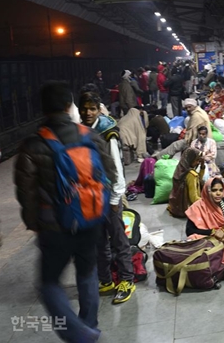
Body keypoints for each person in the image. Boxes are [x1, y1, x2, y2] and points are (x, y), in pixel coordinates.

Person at [15, 81, 117, 342]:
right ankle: (89, 325)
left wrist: (33, 222)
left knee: (49, 283)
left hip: (54, 226)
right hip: (90, 218)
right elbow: (110, 173)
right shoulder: (89, 135)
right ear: (69, 106)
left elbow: (26, 191)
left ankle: (80, 334)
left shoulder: (33, 145)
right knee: (87, 273)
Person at [78, 91, 135, 305]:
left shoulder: (107, 132)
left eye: (92, 108)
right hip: (90, 197)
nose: (88, 112)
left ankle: (127, 280)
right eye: (84, 108)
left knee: (119, 240)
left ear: (98, 108)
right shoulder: (81, 131)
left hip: (109, 195)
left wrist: (114, 200)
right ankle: (105, 280)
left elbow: (116, 168)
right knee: (99, 242)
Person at [185, 177, 224, 269]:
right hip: (207, 238)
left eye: (220, 190)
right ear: (207, 191)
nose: (218, 193)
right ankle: (216, 260)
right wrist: (213, 233)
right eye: (214, 190)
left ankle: (214, 260)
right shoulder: (197, 207)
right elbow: (190, 230)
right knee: (193, 238)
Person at [167, 148, 205, 218]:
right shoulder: (191, 175)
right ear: (190, 159)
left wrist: (202, 167)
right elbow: (193, 198)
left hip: (175, 207)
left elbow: (198, 179)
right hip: (187, 208)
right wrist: (207, 202)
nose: (198, 163)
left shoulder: (180, 169)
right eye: (197, 160)